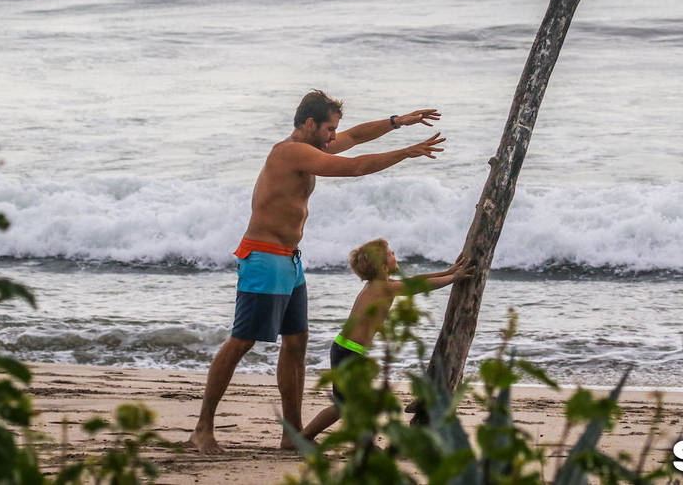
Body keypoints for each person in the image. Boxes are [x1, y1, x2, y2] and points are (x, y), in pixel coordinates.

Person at [188, 90, 445, 453]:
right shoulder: (290, 152)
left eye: (333, 130)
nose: (332, 137)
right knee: (242, 341)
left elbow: (354, 138)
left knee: (296, 343)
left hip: (290, 260)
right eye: (328, 129)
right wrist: (405, 153)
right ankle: (203, 427)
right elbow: (354, 166)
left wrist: (395, 122)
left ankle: (291, 433)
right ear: (309, 124)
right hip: (264, 258)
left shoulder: (313, 147)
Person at [300, 238, 474, 441]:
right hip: (349, 353)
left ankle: (306, 437)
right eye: (390, 253)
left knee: (344, 404)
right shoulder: (382, 288)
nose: (394, 254)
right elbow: (418, 287)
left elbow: (415, 280)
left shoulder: (381, 285)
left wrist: (449, 271)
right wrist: (453, 278)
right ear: (382, 265)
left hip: (347, 349)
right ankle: (356, 443)